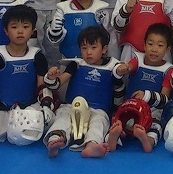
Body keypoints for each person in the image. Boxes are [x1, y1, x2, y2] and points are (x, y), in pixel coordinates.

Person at [0, 5, 56, 145]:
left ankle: (14, 128)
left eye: (25, 27)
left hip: (29, 107)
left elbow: (42, 84)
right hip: (3, 109)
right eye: (14, 27)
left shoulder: (37, 55)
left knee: (48, 122)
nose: (20, 31)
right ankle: (0, 127)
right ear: (6, 30)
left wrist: (46, 104)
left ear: (33, 29)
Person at [44, 26, 125, 158]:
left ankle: (92, 145)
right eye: (84, 48)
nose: (88, 52)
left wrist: (116, 113)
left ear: (104, 49)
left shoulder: (114, 67)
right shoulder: (76, 64)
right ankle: (54, 141)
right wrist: (51, 78)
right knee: (62, 118)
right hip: (72, 107)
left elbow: (119, 90)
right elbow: (58, 84)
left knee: (99, 123)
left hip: (97, 110)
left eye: (93, 47)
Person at [106, 24, 173, 153]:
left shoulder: (168, 70)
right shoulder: (137, 60)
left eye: (160, 45)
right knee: (117, 123)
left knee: (156, 127)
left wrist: (146, 96)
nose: (154, 49)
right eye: (150, 44)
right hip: (130, 107)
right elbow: (126, 68)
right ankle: (113, 138)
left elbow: (164, 99)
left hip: (152, 111)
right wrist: (120, 70)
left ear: (167, 49)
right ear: (145, 45)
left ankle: (148, 140)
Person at [47, 0, 114, 59]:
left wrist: (112, 62)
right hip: (67, 62)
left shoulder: (101, 10)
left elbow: (111, 39)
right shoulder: (62, 9)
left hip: (95, 64)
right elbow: (53, 42)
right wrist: (55, 32)